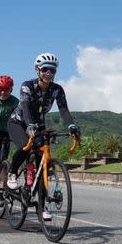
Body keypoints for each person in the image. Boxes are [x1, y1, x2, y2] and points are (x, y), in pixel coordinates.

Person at [6, 53, 81, 219]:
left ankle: (42, 206)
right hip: (18, 122)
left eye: (52, 70)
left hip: (38, 124)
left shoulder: (57, 90)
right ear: (37, 70)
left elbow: (64, 110)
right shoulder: (27, 86)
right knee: (25, 147)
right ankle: (12, 172)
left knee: (44, 165)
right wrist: (29, 124)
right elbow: (25, 106)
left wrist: (71, 125)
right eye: (45, 69)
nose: (49, 73)